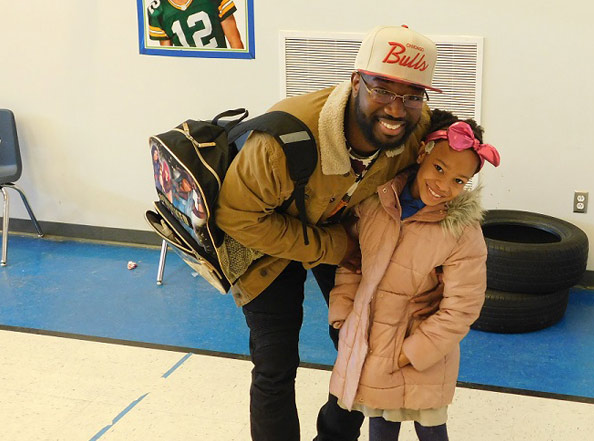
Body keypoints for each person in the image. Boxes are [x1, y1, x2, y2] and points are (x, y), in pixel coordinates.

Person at [215, 25, 443, 441]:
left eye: (412, 96)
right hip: (264, 244)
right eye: (383, 90)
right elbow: (237, 218)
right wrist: (336, 247)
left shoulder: (416, 129)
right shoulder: (279, 142)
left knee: (362, 348)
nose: (397, 109)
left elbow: (451, 164)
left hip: (343, 230)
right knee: (275, 363)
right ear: (356, 82)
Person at [327, 110, 501, 441]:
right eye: (439, 168)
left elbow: (462, 307)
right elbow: (352, 264)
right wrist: (343, 315)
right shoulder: (377, 203)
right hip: (371, 342)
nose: (443, 185)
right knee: (380, 421)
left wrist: (411, 352)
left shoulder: (462, 231)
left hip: (422, 353)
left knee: (431, 428)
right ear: (422, 153)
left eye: (458, 181)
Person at [147, 0, 244, 49]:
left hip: (220, 66)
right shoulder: (158, 10)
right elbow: (167, 57)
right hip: (187, 73)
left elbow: (235, 42)